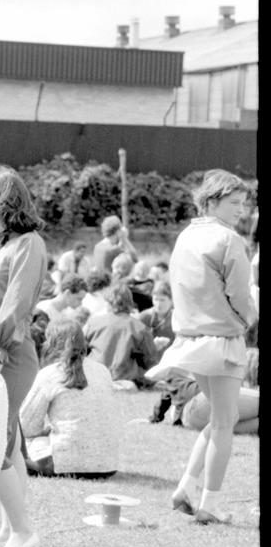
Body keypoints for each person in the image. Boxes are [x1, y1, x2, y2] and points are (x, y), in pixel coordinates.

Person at [145, 169, 257, 523]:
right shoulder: (228, 239)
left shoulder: (185, 237)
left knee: (222, 419)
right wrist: (248, 318)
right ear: (212, 201)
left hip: (191, 340)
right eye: (235, 203)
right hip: (222, 340)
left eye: (244, 203)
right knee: (225, 422)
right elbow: (240, 295)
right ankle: (209, 505)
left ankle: (185, 487)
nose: (242, 210)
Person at [0, 164, 48, 547]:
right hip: (5, 350)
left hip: (11, 352)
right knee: (11, 442)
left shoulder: (28, 245)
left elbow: (16, 302)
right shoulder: (9, 244)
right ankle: (11, 527)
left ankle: (22, 530)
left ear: (6, 204)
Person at [20, 319, 119, 477]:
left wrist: (45, 431)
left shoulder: (49, 374)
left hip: (64, 464)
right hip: (108, 464)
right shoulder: (103, 371)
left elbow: (26, 426)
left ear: (51, 343)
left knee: (19, 442)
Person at [83, 282, 159, 387]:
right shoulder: (140, 329)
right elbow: (151, 362)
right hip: (124, 384)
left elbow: (79, 351)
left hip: (94, 380)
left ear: (108, 302)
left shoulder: (93, 323)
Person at [139, 280, 176, 422]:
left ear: (171, 301)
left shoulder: (176, 318)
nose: (159, 304)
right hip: (149, 363)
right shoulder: (144, 317)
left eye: (163, 300)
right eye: (156, 299)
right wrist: (150, 345)